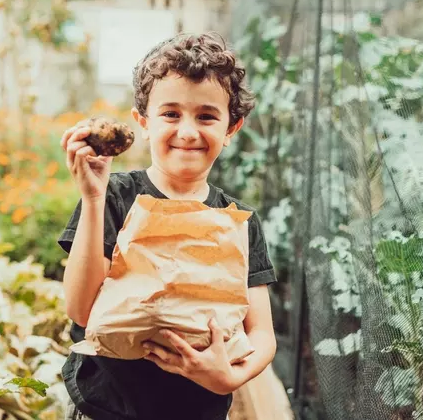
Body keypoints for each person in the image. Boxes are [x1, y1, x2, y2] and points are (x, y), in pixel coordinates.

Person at [57, 31, 278, 420]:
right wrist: (92, 199)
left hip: (199, 410)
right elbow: (80, 309)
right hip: (107, 408)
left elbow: (261, 334)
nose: (188, 132)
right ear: (143, 122)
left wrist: (230, 377)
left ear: (231, 128)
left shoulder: (238, 220)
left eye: (207, 116)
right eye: (171, 114)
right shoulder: (113, 197)